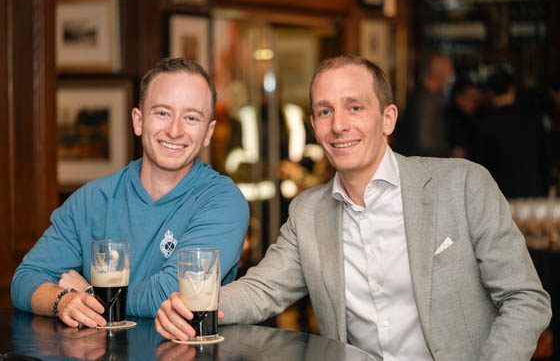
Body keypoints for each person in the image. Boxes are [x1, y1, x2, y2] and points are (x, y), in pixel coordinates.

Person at [155, 55, 551, 360]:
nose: (338, 125)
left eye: (355, 108)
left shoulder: (463, 184)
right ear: (315, 126)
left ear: (388, 119)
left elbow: (525, 299)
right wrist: (197, 302)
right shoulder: (308, 212)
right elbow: (263, 289)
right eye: (325, 111)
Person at [11, 58, 249, 329]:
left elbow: (173, 295)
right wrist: (62, 299)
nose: (174, 130)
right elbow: (26, 279)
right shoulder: (92, 199)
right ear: (138, 121)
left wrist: (89, 294)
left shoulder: (222, 201)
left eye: (191, 118)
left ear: (208, 133)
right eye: (162, 113)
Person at [474, 71, 550, 198]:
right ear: (512, 89)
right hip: (532, 191)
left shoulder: (485, 124)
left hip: (499, 194)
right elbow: (545, 158)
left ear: (490, 93)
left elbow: (479, 164)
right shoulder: (533, 119)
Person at [396, 52, 454, 157]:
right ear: (438, 74)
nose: (449, 81)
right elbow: (425, 142)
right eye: (448, 75)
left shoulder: (430, 96)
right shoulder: (425, 101)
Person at [444, 79, 482, 160]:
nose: (475, 103)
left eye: (477, 99)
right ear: (459, 98)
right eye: (471, 98)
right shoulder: (449, 118)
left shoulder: (473, 118)